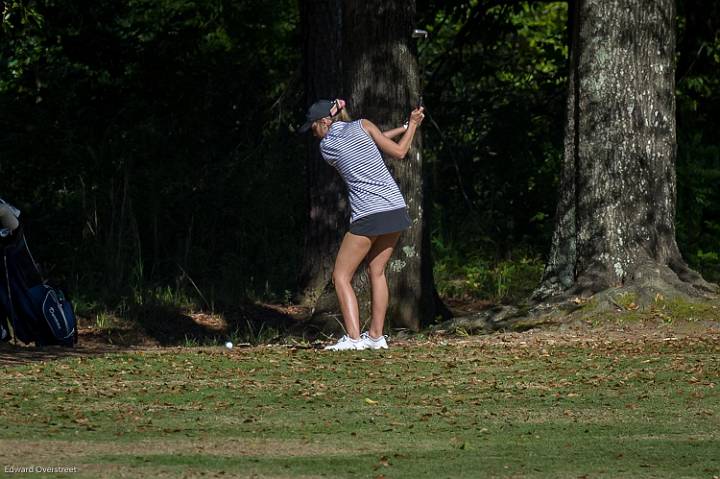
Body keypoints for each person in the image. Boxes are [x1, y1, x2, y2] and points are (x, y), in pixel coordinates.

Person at [299, 99, 425, 350]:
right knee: (376, 272)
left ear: (325, 122)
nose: (312, 132)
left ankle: (354, 339)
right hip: (395, 209)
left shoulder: (327, 147)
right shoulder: (364, 125)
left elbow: (387, 150)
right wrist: (410, 125)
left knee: (341, 276)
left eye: (313, 126)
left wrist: (407, 126)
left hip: (368, 213)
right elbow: (387, 146)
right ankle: (377, 337)